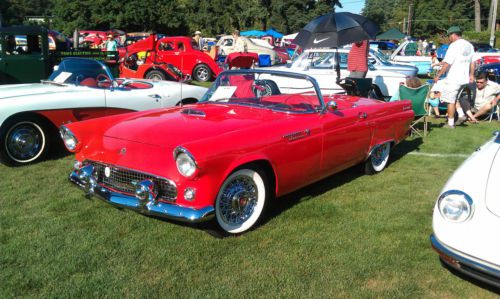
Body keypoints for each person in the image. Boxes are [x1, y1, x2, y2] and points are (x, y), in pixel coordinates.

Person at [433, 26, 475, 128]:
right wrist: (471, 75)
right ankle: (461, 114)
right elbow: (472, 62)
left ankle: (450, 124)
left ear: (453, 35)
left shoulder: (454, 45)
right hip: (464, 79)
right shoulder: (469, 45)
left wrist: (438, 75)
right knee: (455, 98)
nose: (449, 38)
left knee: (450, 101)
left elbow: (448, 63)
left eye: (449, 36)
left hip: (454, 78)